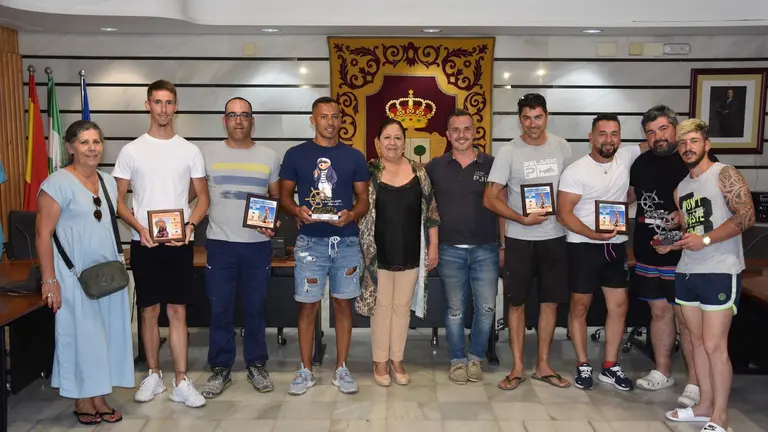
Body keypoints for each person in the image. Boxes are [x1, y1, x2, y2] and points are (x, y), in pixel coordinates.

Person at [113, 79, 210, 408]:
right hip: (145, 244)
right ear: (148, 105)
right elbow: (120, 203)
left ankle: (181, 379)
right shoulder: (131, 150)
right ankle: (153, 374)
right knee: (149, 309)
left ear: (176, 106)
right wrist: (140, 228)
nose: (163, 109)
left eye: (169, 103)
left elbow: (203, 199)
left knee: (178, 310)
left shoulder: (190, 150)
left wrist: (189, 225)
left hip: (180, 244)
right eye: (158, 102)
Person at [36, 120, 134, 425]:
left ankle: (99, 394)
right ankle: (82, 396)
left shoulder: (106, 180)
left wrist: (145, 231)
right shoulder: (56, 183)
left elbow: (115, 217)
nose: (92, 148)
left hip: (107, 276)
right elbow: (43, 234)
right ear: (70, 147)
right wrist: (49, 281)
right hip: (72, 276)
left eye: (96, 142)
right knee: (81, 336)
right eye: (84, 142)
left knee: (106, 335)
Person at [660, 119, 753, 432]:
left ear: (706, 144)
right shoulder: (681, 188)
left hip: (720, 270)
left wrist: (708, 240)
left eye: (694, 141)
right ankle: (703, 407)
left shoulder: (724, 173)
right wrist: (670, 241)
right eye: (683, 143)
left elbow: (746, 216)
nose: (688, 148)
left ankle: (720, 418)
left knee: (715, 346)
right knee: (696, 343)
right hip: (688, 270)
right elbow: (693, 231)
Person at [279, 96, 370, 396]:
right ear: (313, 120)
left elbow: (363, 201)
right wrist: (296, 211)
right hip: (310, 243)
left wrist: (352, 215)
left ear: (341, 120)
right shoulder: (295, 155)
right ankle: (305, 370)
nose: (330, 122)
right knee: (307, 307)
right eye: (324, 116)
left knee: (344, 305)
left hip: (345, 241)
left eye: (335, 116)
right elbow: (284, 197)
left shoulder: (354, 157)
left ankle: (341, 368)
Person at [484, 93, 572, 390]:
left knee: (550, 302)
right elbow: (490, 198)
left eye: (537, 117)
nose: (532, 124)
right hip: (520, 238)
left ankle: (544, 364)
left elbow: (571, 190)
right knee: (516, 302)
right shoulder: (508, 151)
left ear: (546, 116)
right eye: (526, 118)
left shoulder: (561, 146)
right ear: (519, 119)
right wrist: (520, 219)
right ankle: (518, 366)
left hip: (555, 238)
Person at [196, 97, 281, 398]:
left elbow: (274, 197)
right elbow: (196, 196)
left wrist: (273, 221)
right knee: (220, 308)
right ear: (224, 120)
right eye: (233, 115)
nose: (239, 120)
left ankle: (256, 364)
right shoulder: (206, 154)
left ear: (252, 120)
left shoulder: (269, 156)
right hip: (220, 244)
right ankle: (221, 368)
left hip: (257, 246)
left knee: (255, 308)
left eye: (244, 115)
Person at [557, 113, 646, 391]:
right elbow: (564, 214)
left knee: (619, 306)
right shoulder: (576, 170)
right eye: (603, 134)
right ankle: (583, 363)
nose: (609, 139)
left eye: (614, 133)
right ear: (591, 137)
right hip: (582, 246)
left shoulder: (628, 156)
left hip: (615, 246)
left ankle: (610, 365)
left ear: (620, 137)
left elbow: (657, 140)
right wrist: (593, 234)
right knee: (580, 306)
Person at [630, 105, 709, 406]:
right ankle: (662, 370)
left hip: (683, 254)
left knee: (687, 319)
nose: (657, 137)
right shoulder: (640, 164)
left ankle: (695, 381)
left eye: (663, 129)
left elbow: (701, 206)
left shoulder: (691, 158)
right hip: (648, 252)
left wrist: (677, 227)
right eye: (651, 132)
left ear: (675, 129)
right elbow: (633, 197)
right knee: (658, 313)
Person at [357, 118, 440, 387]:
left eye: (398, 138)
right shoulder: (368, 172)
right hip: (377, 254)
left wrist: (433, 246)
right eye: (387, 137)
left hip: (411, 252)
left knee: (402, 308)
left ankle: (397, 360)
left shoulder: (420, 172)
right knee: (381, 308)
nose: (392, 143)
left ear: (405, 142)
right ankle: (380, 361)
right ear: (378, 142)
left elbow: (431, 212)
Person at [426, 109, 500, 385]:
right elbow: (427, 209)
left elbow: (502, 205)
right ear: (447, 134)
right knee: (455, 309)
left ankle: (475, 357)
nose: (461, 135)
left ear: (474, 131)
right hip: (449, 249)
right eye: (455, 130)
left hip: (486, 249)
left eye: (466, 129)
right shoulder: (435, 166)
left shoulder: (492, 164)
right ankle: (457, 360)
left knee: (487, 308)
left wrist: (502, 245)